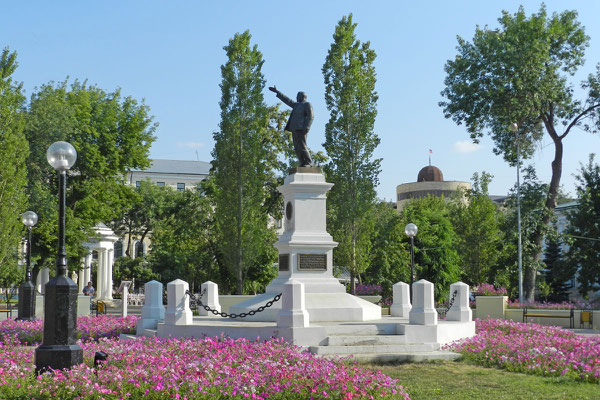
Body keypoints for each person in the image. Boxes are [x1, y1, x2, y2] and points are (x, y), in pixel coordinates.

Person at [268, 86, 314, 167]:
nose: (296, 98)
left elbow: (311, 116)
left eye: (297, 96)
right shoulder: (296, 105)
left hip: (301, 129)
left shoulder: (307, 104)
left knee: (302, 146)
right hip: (294, 128)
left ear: (301, 96)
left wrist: (306, 127)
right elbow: (287, 100)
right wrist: (278, 92)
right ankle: (302, 162)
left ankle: (309, 162)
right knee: (297, 147)